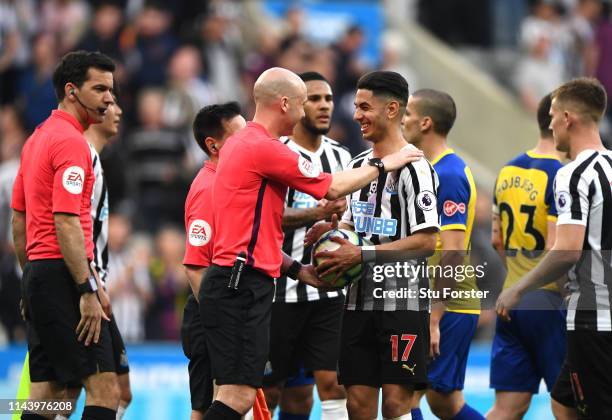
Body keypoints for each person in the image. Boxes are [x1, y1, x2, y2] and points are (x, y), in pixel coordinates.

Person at [199, 67, 424, 420]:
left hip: (242, 279)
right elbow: (331, 188)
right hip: (242, 284)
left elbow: (253, 233)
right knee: (239, 396)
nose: (307, 111)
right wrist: (385, 164)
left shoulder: (242, 146)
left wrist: (299, 270)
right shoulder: (264, 148)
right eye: (305, 102)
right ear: (285, 103)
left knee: (247, 393)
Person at [306, 71, 439, 420]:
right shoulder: (356, 167)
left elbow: (427, 240)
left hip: (403, 305)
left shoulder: (416, 168)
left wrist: (362, 253)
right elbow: (352, 225)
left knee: (396, 404)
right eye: (355, 106)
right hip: (356, 304)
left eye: (365, 107)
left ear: (392, 109)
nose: (355, 116)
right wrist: (331, 235)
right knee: (357, 405)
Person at [11, 51, 119, 419]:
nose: (109, 98)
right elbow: (66, 220)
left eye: (111, 89)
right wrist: (86, 288)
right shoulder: (72, 143)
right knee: (105, 390)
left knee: (50, 391)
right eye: (100, 88)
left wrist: (30, 277)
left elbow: (19, 218)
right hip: (65, 273)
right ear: (71, 91)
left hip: (42, 273)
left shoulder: (35, 140)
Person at [497, 77, 612, 419]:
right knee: (563, 401)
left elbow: (567, 250)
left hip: (593, 316)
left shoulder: (572, 175)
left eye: (551, 115)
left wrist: (518, 289)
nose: (549, 125)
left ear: (567, 119)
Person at [263, 71, 351, 420]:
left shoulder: (342, 158)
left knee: (332, 386)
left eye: (328, 99)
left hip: (329, 293)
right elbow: (261, 217)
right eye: (314, 99)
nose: (324, 106)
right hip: (278, 292)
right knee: (274, 392)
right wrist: (317, 211)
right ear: (296, 105)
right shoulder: (274, 153)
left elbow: (352, 216)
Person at [401, 89, 483, 420]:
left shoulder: (447, 175)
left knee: (406, 396)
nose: (401, 119)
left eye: (406, 113)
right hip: (436, 301)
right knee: (443, 403)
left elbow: (451, 251)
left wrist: (435, 315)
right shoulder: (428, 169)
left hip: (449, 305)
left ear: (426, 122)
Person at [489, 94, 568, 420]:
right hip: (550, 301)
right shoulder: (563, 175)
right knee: (569, 404)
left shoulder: (508, 170)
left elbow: (496, 240)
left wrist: (518, 282)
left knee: (507, 408)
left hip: (511, 299)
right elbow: (557, 247)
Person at [181, 101, 246, 420]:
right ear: (214, 144)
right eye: (240, 136)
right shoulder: (208, 189)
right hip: (211, 315)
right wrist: (220, 324)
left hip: (227, 313)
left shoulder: (232, 183)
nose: (250, 142)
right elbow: (195, 266)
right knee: (208, 406)